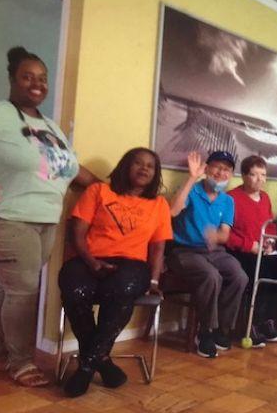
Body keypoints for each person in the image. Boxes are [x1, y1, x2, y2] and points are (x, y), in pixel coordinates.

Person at [0, 46, 98, 387]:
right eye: (28, 76)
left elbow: (74, 169)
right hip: (5, 217)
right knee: (24, 290)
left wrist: (108, 189)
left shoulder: (51, 126)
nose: (37, 84)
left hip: (45, 220)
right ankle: (20, 362)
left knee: (11, 288)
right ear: (12, 80)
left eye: (42, 78)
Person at [58, 148, 172, 397]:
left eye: (150, 166)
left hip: (132, 264)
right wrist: (90, 261)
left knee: (120, 288)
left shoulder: (159, 204)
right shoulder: (98, 191)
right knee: (73, 287)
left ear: (155, 174)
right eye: (137, 163)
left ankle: (86, 366)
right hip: (89, 258)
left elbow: (158, 246)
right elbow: (76, 232)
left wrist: (153, 280)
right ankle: (103, 362)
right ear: (124, 166)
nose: (143, 169)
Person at [168, 151, 248, 359]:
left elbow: (225, 234)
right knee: (211, 276)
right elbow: (172, 212)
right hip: (184, 251)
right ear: (207, 168)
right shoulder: (191, 191)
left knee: (240, 276)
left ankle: (223, 328)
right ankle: (205, 332)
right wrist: (192, 177)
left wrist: (217, 236)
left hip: (214, 251)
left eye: (227, 170)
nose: (221, 173)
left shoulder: (227, 201)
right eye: (217, 167)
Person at [226, 155, 277, 347]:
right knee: (261, 274)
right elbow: (226, 233)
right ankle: (251, 324)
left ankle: (267, 320)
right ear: (244, 176)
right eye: (254, 175)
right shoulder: (232, 198)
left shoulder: (264, 198)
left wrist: (270, 242)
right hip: (241, 252)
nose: (259, 179)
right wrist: (250, 245)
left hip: (264, 251)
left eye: (263, 175)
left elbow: (270, 226)